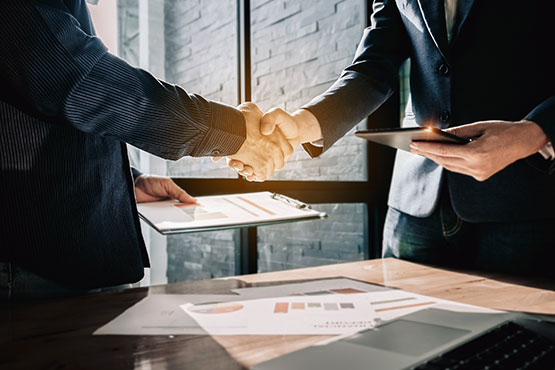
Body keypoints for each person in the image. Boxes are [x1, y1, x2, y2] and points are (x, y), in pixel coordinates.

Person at [229, 0, 555, 276]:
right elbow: (373, 66)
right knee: (403, 335)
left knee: (518, 341)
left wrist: (533, 132)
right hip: (415, 199)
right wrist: (303, 123)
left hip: (524, 196)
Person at [0, 0, 291, 300]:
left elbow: (54, 121)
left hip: (72, 260)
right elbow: (85, 83)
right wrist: (232, 132)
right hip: (35, 271)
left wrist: (127, 182)